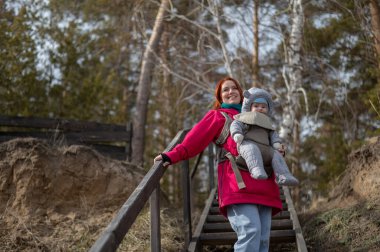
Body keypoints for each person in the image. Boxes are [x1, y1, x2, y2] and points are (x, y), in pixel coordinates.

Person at [154, 77, 283, 252]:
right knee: (250, 231)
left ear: (241, 93)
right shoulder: (218, 116)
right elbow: (193, 142)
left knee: (262, 240)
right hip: (238, 184)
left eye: (234, 88)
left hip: (265, 183)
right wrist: (170, 156)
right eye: (225, 90)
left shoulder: (260, 117)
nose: (230, 92)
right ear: (220, 98)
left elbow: (270, 146)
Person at [230, 87, 299, 186]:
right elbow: (236, 125)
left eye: (263, 107)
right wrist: (237, 133)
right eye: (256, 106)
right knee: (251, 149)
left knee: (276, 155)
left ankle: (284, 175)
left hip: (266, 149)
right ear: (249, 107)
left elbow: (273, 134)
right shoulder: (244, 118)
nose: (260, 108)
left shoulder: (267, 123)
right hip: (248, 143)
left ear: (268, 109)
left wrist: (277, 143)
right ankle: (256, 169)